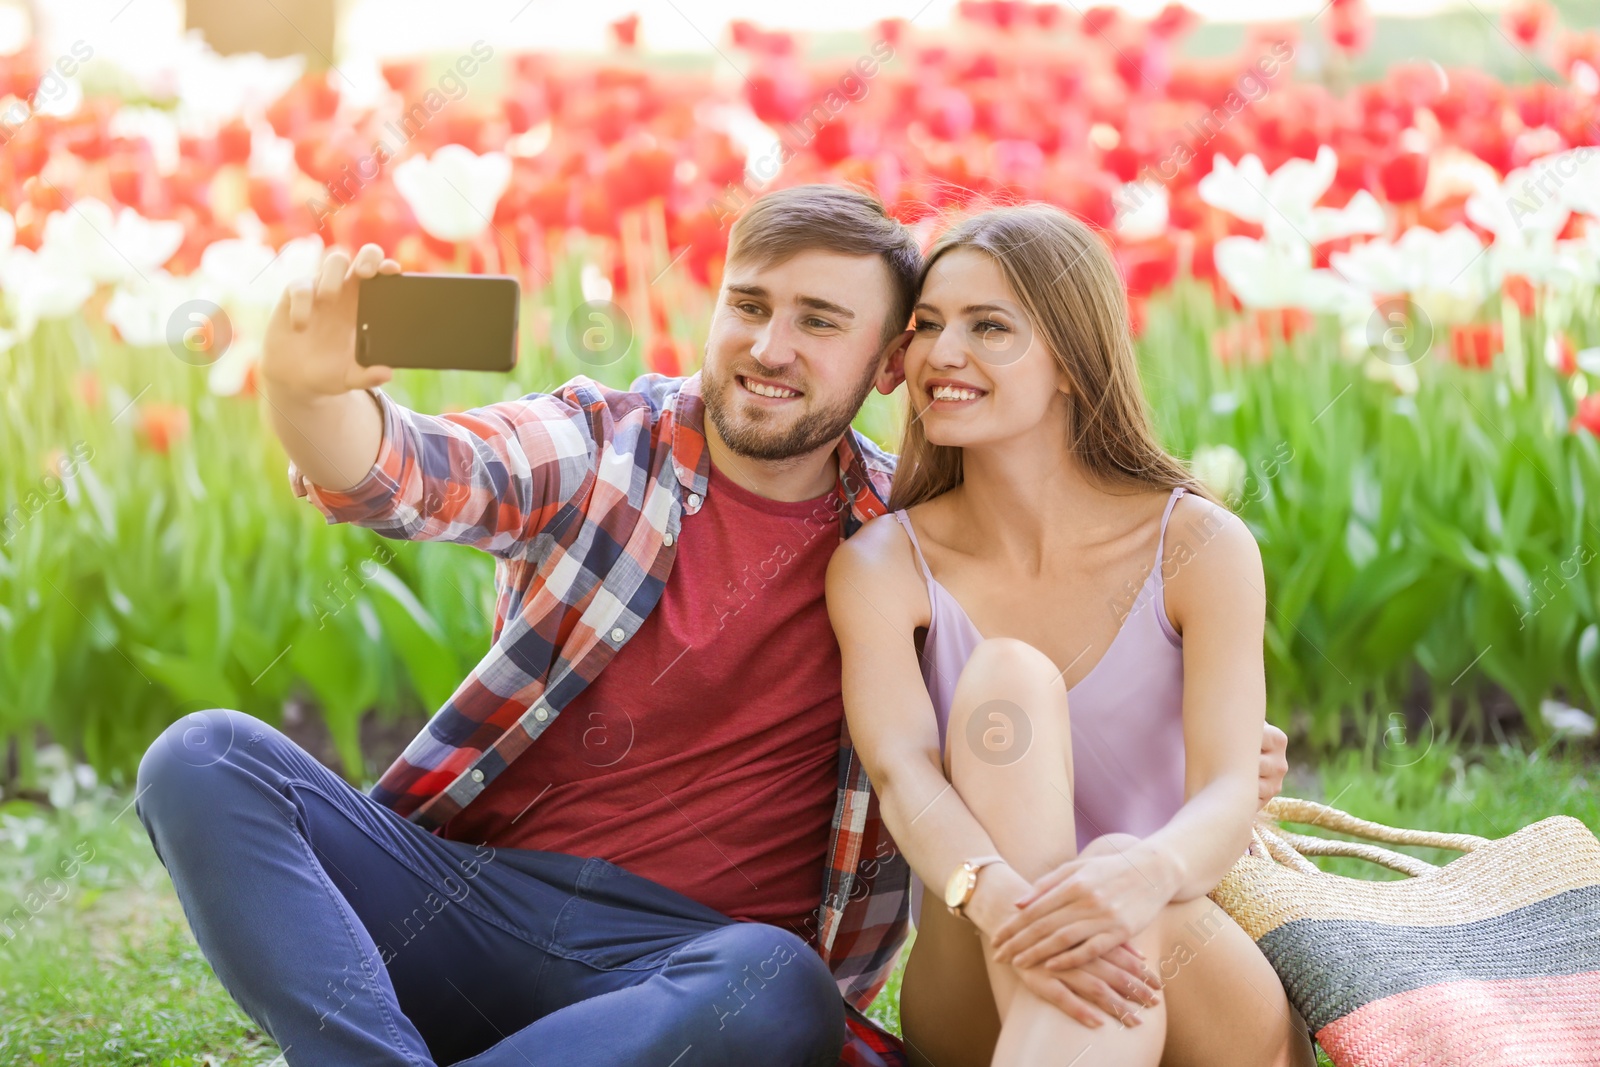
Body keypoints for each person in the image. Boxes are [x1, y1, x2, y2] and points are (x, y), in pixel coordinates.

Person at [133, 185, 1291, 1067]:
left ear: (888, 363)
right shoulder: (604, 445)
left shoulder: (902, 538)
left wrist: (1218, 764)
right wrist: (305, 393)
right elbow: (408, 472)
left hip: (697, 965)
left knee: (772, 976)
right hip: (471, 905)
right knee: (205, 755)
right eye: (749, 304)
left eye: (819, 321)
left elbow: (1023, 700)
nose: (769, 347)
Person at [826, 203, 1318, 1067]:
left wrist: (1144, 873)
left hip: (1182, 948)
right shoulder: (881, 567)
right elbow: (906, 779)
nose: (943, 354)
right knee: (1005, 674)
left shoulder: (1197, 545)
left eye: (989, 326)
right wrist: (1007, 901)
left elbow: (1228, 793)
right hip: (980, 958)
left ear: (1070, 360)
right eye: (929, 325)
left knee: (1131, 890)